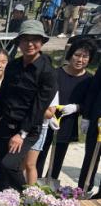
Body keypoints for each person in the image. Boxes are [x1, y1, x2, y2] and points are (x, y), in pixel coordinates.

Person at [0, 20, 57, 192]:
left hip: (28, 129)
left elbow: (39, 107)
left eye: (35, 39)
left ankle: (31, 197)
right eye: (25, 39)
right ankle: (0, 202)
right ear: (19, 42)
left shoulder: (47, 72)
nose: (30, 44)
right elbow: (3, 94)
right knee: (0, 167)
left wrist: (22, 134)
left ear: (42, 42)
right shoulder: (13, 65)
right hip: (6, 123)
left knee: (9, 164)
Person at [37, 36, 96, 181]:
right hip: (47, 119)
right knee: (40, 154)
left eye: (85, 57)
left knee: (58, 157)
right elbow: (42, 96)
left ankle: (51, 183)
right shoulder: (55, 74)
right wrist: (49, 113)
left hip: (67, 122)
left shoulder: (89, 80)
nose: (80, 60)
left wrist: (76, 107)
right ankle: (34, 183)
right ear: (70, 55)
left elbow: (89, 103)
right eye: (77, 55)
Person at [23, 94, 59, 185]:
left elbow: (50, 114)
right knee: (19, 163)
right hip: (21, 125)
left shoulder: (52, 89)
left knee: (29, 164)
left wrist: (31, 105)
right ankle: (18, 188)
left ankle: (31, 192)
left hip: (39, 128)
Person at [78, 63, 101, 197]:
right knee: (91, 156)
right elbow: (93, 90)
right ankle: (83, 190)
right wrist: (86, 116)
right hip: (97, 119)